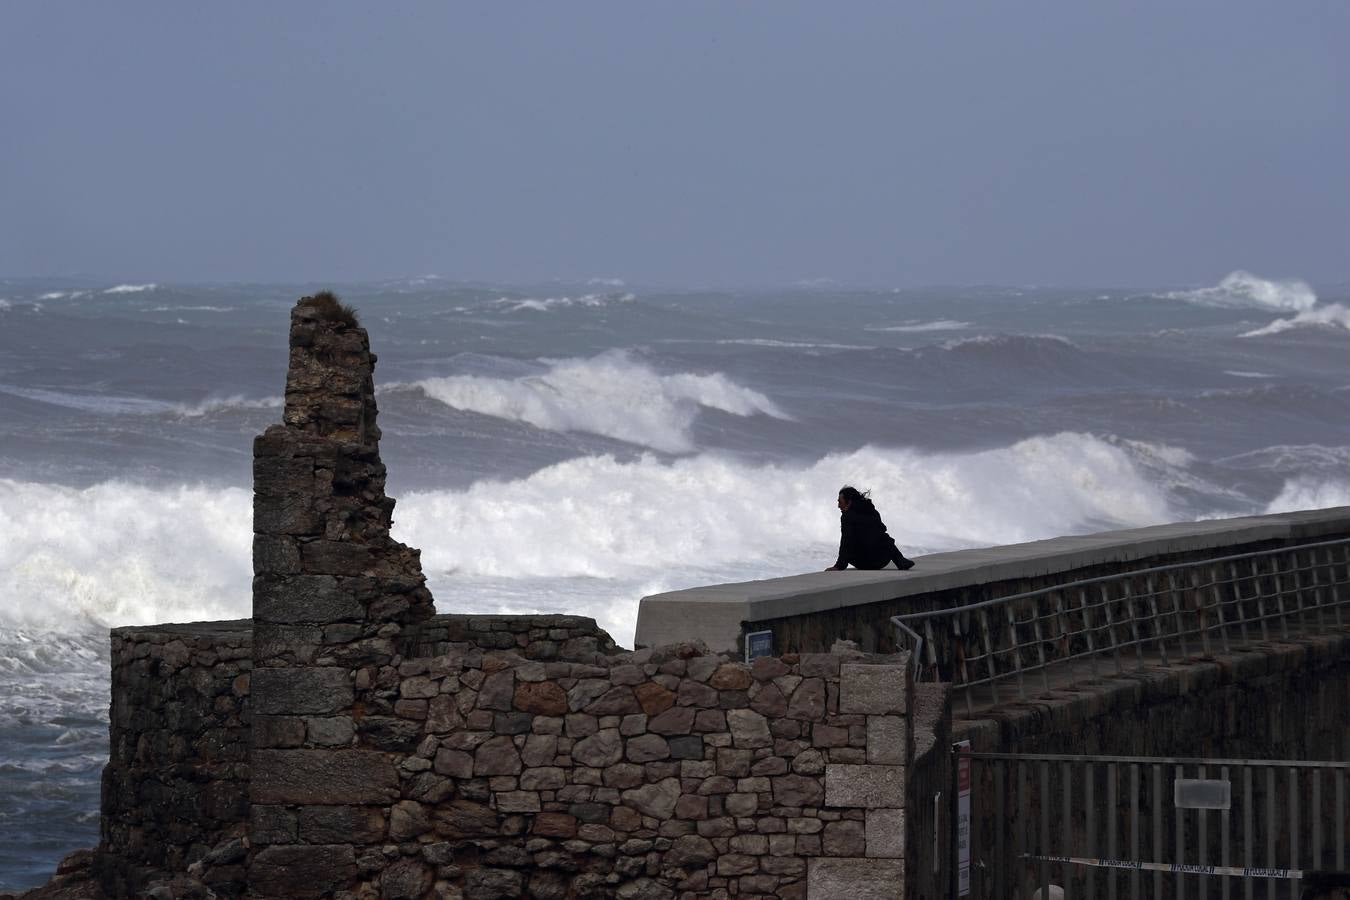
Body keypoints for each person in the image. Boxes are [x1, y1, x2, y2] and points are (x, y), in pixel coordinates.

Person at [825, 485, 916, 571]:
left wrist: (839, 566)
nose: (838, 506)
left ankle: (901, 560)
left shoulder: (847, 517)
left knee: (875, 537)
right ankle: (900, 560)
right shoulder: (871, 511)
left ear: (849, 502)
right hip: (881, 561)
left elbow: (846, 541)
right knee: (885, 538)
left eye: (840, 502)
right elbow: (882, 530)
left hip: (863, 563)